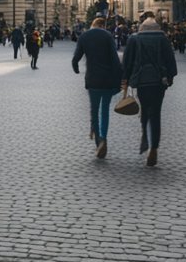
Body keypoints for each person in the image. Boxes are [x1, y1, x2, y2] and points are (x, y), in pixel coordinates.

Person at [121, 17, 178, 167]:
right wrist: (170, 77)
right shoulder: (163, 39)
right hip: (159, 81)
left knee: (145, 111)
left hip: (141, 81)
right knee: (156, 113)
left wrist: (125, 79)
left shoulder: (135, 39)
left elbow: (127, 61)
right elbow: (171, 61)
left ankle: (146, 137)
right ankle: (154, 147)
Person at [72, 18, 123, 159]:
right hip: (107, 80)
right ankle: (104, 138)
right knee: (105, 110)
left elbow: (76, 57)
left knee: (94, 110)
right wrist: (121, 77)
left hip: (92, 79)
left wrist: (76, 68)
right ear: (103, 25)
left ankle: (98, 142)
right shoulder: (107, 36)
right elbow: (114, 59)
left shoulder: (84, 36)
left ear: (92, 24)